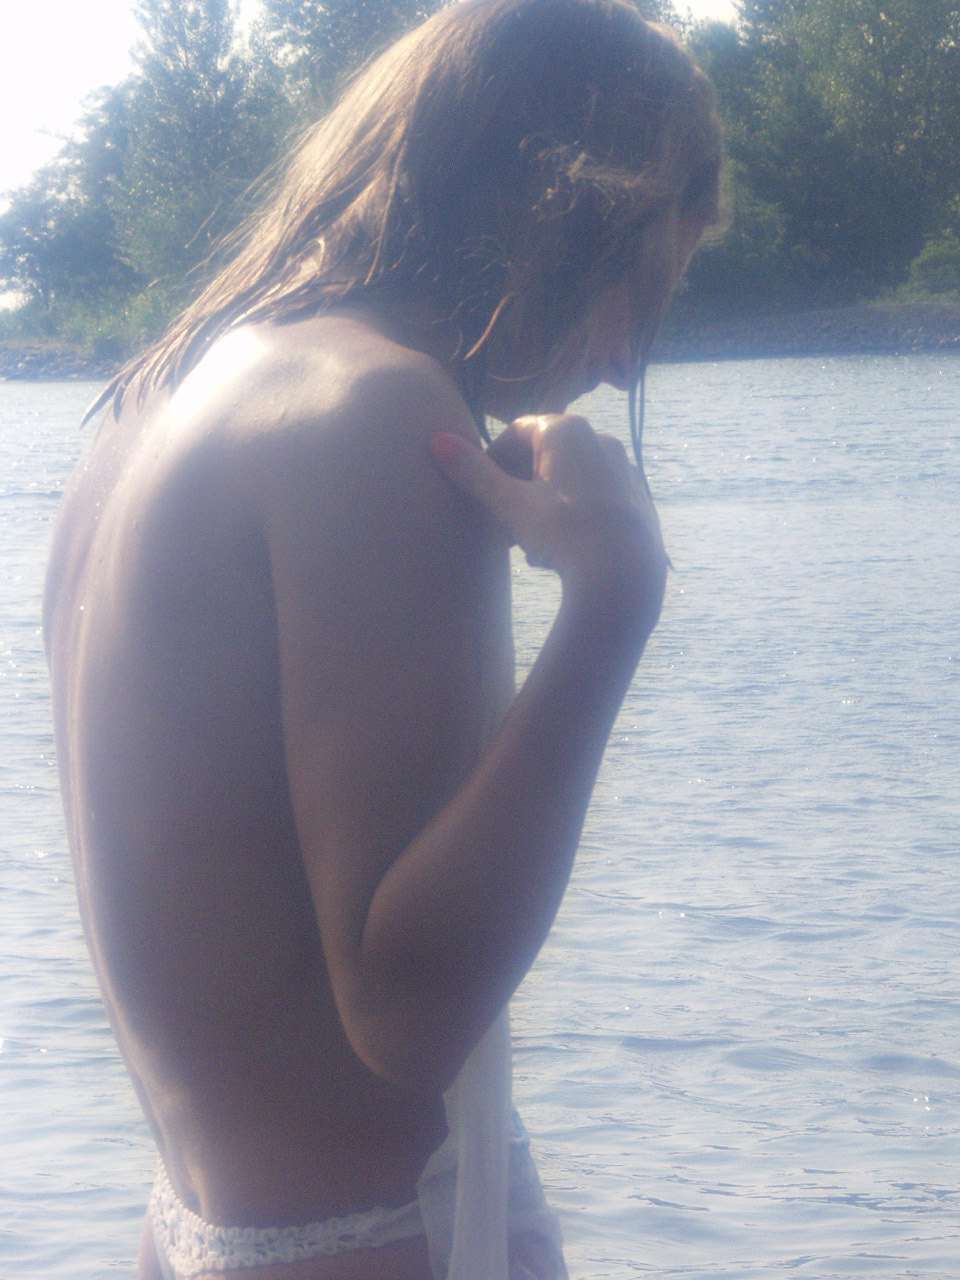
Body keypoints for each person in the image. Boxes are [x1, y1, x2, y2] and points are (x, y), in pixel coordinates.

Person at [44, 1, 721, 1276]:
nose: (622, 358)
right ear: (555, 209)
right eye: (638, 286)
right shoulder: (381, 409)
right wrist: (613, 606)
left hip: (197, 1229)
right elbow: (404, 1014)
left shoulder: (158, 397)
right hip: (387, 1236)